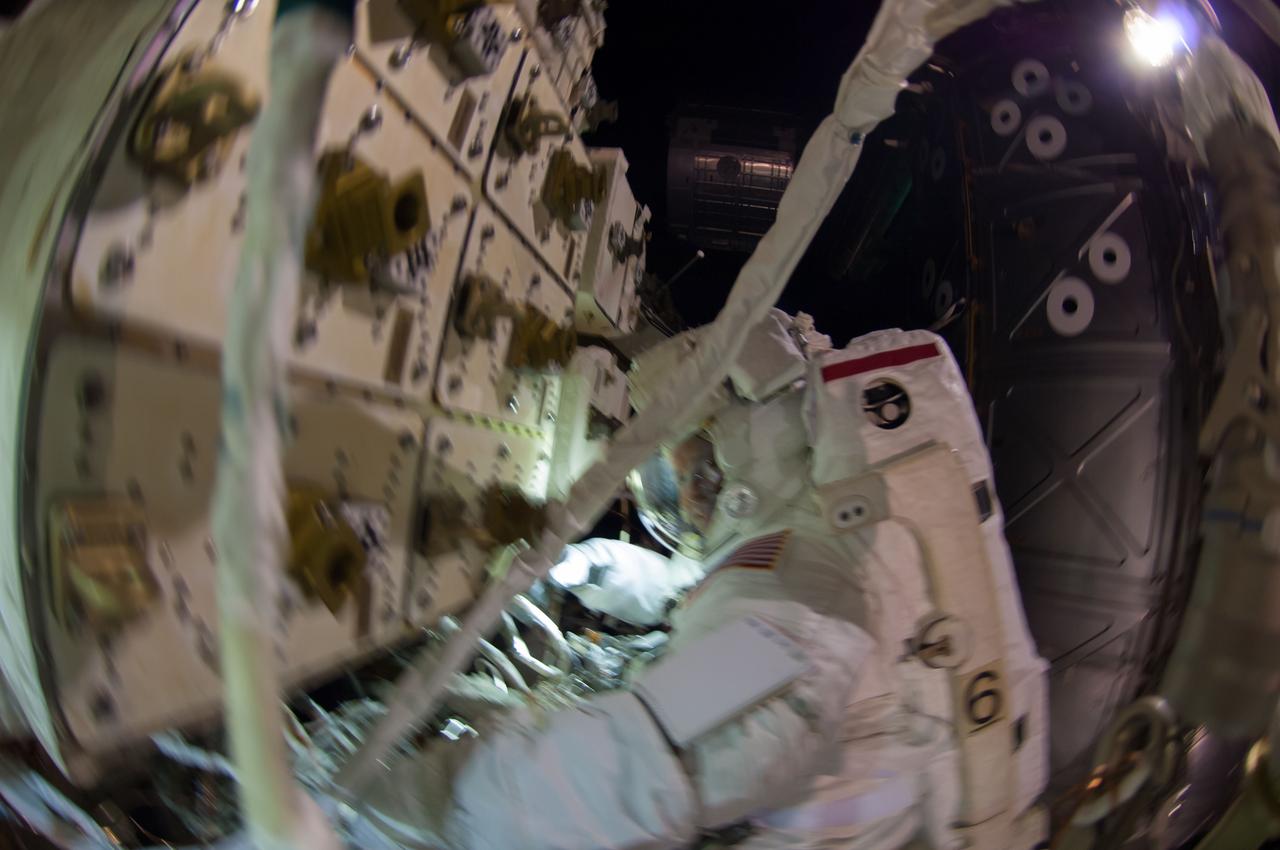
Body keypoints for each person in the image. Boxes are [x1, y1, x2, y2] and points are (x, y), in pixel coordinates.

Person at [358, 311, 1048, 850]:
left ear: (741, 443)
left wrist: (441, 804)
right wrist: (585, 566)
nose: (685, 500)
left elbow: (671, 747)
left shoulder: (812, 581)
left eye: (690, 470)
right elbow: (696, 583)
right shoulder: (811, 544)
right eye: (671, 478)